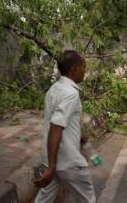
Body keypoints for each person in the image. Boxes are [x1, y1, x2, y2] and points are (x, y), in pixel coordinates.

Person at [34, 50, 96, 203]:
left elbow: (58, 121)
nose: (85, 71)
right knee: (88, 199)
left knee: (43, 200)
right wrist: (52, 167)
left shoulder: (53, 89)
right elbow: (56, 126)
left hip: (50, 159)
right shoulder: (71, 93)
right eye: (84, 67)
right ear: (73, 70)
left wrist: (77, 136)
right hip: (67, 162)